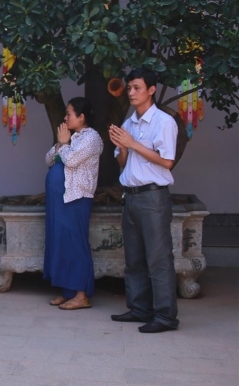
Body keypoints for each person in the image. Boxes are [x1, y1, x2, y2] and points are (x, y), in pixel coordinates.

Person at [109, 67, 179, 333]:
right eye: (129, 88)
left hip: (153, 197)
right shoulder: (129, 123)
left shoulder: (164, 122)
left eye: (137, 88)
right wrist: (122, 147)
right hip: (131, 196)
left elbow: (167, 161)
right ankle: (140, 308)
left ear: (151, 90)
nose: (131, 92)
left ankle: (166, 317)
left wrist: (132, 144)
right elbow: (122, 162)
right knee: (134, 258)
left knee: (158, 259)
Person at [44, 97, 103, 310]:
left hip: (76, 197)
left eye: (69, 114)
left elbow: (70, 160)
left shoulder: (91, 138)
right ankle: (67, 290)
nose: (65, 117)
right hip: (60, 199)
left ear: (81, 117)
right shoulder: (70, 137)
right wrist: (61, 143)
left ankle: (81, 295)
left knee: (76, 243)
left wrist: (64, 143)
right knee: (61, 241)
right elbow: (48, 160)